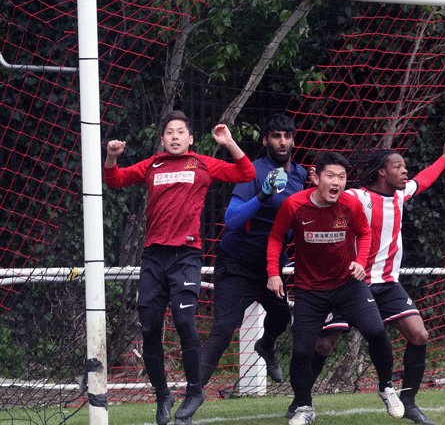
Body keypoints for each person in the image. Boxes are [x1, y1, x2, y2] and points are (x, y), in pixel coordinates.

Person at [103, 111, 255, 425]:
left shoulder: (201, 164)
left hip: (186, 256)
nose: (175, 136)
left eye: (180, 131)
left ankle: (195, 391)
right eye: (169, 132)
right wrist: (111, 157)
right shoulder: (153, 165)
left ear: (190, 138)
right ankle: (163, 396)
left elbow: (246, 172)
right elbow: (114, 179)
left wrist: (229, 143)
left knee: (185, 321)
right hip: (153, 257)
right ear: (162, 139)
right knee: (149, 328)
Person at [301, 135, 445, 425]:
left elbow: (423, 180)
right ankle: (301, 401)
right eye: (399, 167)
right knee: (324, 345)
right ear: (383, 172)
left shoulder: (400, 196)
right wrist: (315, 182)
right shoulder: (357, 197)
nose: (405, 171)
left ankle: (408, 402)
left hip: (387, 284)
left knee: (419, 335)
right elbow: (327, 194)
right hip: (351, 283)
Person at [266, 150, 405, 425]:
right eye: (330, 176)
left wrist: (360, 262)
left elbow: (364, 233)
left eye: (341, 177)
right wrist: (273, 273)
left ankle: (386, 388)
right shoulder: (294, 205)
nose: (336, 182)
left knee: (376, 330)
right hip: (310, 290)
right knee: (302, 351)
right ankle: (304, 408)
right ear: (315, 177)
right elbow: (275, 238)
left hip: (347, 286)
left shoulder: (350, 205)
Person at [197, 113, 308, 395]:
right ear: (266, 140)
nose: (282, 142)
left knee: (281, 316)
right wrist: (262, 196)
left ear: (293, 140)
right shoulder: (254, 172)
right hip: (237, 265)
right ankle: (193, 393)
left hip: (270, 268)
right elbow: (232, 218)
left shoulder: (301, 175)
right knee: (224, 329)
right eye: (276, 136)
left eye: (287, 136)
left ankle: (266, 345)